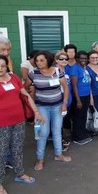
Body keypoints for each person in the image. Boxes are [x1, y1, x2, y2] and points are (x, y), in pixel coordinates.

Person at [0, 55, 45, 193]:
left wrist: (36, 112)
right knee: (1, 152)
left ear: (7, 65)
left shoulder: (14, 78)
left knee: (17, 148)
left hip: (19, 120)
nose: (0, 68)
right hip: (2, 123)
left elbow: (25, 95)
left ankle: (19, 173)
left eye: (2, 65)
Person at [25, 51, 71, 171]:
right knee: (43, 133)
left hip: (58, 106)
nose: (38, 63)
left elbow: (66, 88)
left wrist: (64, 104)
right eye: (37, 60)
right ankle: (40, 159)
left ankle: (59, 154)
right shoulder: (33, 73)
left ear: (48, 60)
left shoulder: (57, 71)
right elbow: (25, 88)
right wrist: (32, 99)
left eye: (42, 60)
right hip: (42, 107)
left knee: (57, 131)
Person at [70, 51, 93, 145]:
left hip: (86, 95)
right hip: (79, 97)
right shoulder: (74, 69)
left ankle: (82, 133)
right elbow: (74, 85)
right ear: (77, 59)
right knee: (78, 117)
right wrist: (78, 100)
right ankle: (77, 137)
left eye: (85, 58)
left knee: (83, 116)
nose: (83, 60)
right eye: (81, 58)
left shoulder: (83, 68)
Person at [54, 51, 73, 151]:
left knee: (61, 121)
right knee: (58, 122)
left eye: (66, 59)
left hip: (68, 100)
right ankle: (59, 143)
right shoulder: (54, 71)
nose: (64, 61)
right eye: (61, 59)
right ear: (56, 60)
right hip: (59, 100)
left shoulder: (66, 70)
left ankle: (59, 139)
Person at [86, 50, 98, 115]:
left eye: (96, 57)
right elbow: (87, 85)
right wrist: (91, 98)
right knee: (93, 112)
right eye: (92, 57)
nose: (95, 59)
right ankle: (94, 125)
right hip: (92, 94)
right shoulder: (86, 69)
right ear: (88, 59)